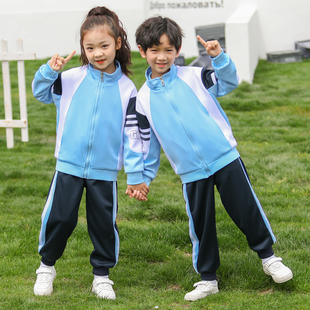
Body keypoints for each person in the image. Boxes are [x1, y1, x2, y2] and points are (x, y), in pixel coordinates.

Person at [129, 16, 293, 302]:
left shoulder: (195, 75)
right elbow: (147, 144)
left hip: (224, 158)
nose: (162, 56)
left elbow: (227, 83)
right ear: (143, 51)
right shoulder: (142, 99)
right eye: (155, 50)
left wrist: (219, 58)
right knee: (200, 225)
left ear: (177, 51)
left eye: (169, 50)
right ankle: (208, 279)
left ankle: (269, 258)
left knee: (246, 209)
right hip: (190, 172)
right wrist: (142, 176)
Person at [32, 6, 148, 300]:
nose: (98, 53)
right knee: (59, 218)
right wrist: (49, 71)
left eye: (104, 46)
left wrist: (135, 174)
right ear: (83, 49)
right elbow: (40, 93)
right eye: (90, 47)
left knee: (103, 225)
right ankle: (46, 267)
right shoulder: (70, 79)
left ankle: (102, 276)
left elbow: (133, 136)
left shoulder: (127, 89)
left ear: (118, 44)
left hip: (104, 171)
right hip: (68, 167)